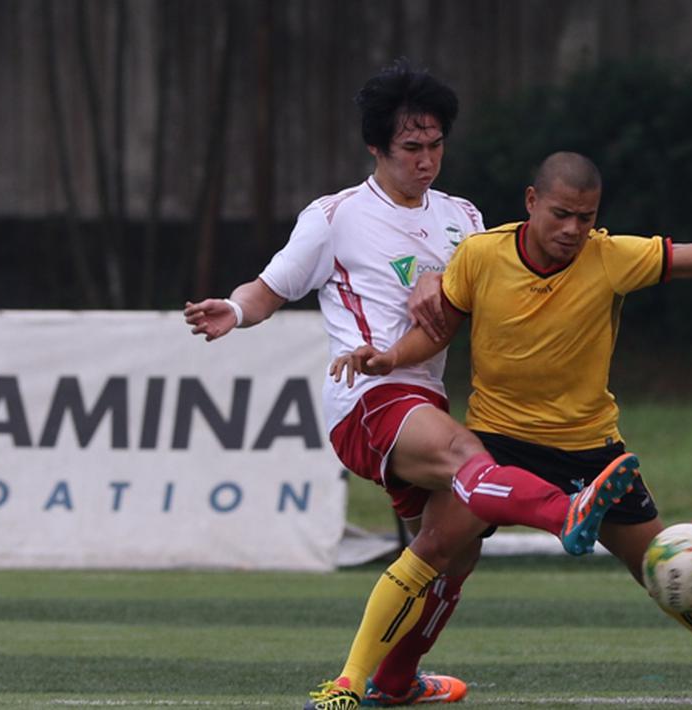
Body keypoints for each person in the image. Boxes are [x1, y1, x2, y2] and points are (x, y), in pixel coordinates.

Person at [334, 151, 692, 703]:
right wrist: (389, 357)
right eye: (561, 214)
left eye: (586, 217)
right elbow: (438, 330)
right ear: (531, 202)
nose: (574, 229)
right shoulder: (480, 255)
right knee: (433, 548)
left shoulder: (612, 256)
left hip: (590, 452)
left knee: (662, 566)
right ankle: (349, 682)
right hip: (497, 444)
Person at [183, 64, 639, 710]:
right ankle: (564, 512)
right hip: (366, 397)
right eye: (410, 148)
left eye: (435, 146)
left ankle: (395, 683)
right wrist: (235, 310)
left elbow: (480, 286)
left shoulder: (463, 217)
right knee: (469, 461)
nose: (425, 161)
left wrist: (442, 282)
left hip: (427, 398)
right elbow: (268, 289)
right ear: (376, 147)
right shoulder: (335, 216)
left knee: (453, 553)